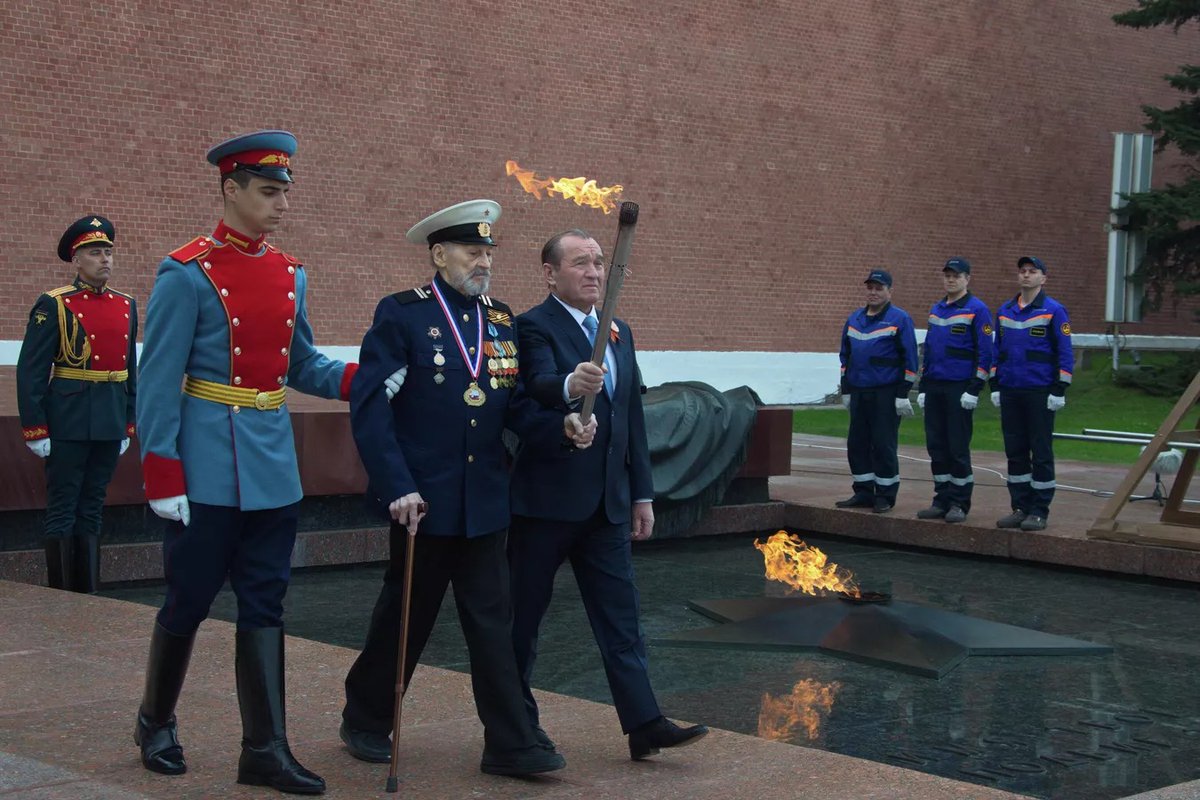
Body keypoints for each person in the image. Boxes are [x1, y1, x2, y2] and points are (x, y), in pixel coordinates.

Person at [133, 130, 358, 795]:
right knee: (191, 597)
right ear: (230, 189)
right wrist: (161, 471)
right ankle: (154, 720)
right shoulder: (187, 272)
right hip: (203, 466)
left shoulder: (292, 273)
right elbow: (157, 378)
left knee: (266, 602)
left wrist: (367, 377)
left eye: (284, 193)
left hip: (270, 463)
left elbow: (303, 365)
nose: (280, 205)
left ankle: (264, 749)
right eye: (267, 192)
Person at [342, 200, 592, 777]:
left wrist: (561, 423)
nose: (483, 262)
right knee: (406, 617)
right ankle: (366, 715)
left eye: (488, 252)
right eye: (471, 251)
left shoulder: (501, 322)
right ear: (439, 254)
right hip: (422, 504)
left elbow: (516, 407)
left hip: (484, 502)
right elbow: (372, 408)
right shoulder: (402, 316)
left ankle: (510, 743)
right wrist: (396, 486)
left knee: (492, 625)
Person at [508, 228, 709, 761]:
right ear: (550, 273)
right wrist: (571, 388)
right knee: (521, 621)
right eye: (580, 263)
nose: (594, 272)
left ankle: (644, 721)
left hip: (607, 506)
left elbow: (631, 418)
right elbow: (537, 385)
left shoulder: (618, 329)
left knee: (621, 619)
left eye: (598, 262)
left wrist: (642, 494)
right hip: (545, 504)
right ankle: (514, 727)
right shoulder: (531, 326)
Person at [16, 215, 136, 594]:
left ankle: (89, 594)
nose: (105, 260)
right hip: (67, 419)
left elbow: (130, 371)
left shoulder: (126, 305)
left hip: (109, 417)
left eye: (108, 252)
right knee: (63, 506)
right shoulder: (54, 304)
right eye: (95, 252)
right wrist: (35, 427)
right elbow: (31, 370)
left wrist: (128, 423)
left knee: (93, 505)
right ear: (77, 259)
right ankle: (60, 596)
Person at [990, 256, 1073, 532]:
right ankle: (1020, 507)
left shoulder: (1054, 311)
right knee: (1015, 452)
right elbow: (997, 351)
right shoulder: (1005, 311)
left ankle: (1039, 510)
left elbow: (1064, 351)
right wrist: (996, 385)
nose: (1026, 275)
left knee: (1040, 451)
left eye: (1032, 271)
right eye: (1022, 271)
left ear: (1043, 278)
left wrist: (1060, 388)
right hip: (1012, 390)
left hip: (1039, 392)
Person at [914, 257, 993, 524]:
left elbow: (986, 352)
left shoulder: (977, 309)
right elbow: (930, 351)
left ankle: (960, 502)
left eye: (956, 275)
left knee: (957, 446)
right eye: (947, 275)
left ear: (967, 279)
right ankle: (941, 499)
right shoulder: (937, 309)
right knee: (936, 446)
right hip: (935, 385)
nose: (951, 279)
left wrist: (975, 387)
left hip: (959, 387)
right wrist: (923, 386)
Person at [835, 269, 918, 513]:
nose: (873, 292)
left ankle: (885, 495)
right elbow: (845, 356)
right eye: (870, 287)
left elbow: (910, 358)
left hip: (886, 392)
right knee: (857, 443)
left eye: (879, 288)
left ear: (889, 291)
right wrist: (846, 389)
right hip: (859, 391)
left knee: (883, 444)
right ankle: (863, 492)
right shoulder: (854, 319)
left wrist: (903, 392)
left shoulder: (899, 319)